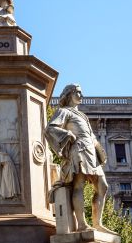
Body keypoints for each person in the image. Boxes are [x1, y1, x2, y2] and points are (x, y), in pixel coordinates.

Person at [45, 84, 116, 234]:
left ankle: (98, 224)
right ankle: (82, 224)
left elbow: (91, 135)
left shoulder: (82, 115)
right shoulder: (63, 111)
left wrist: (99, 151)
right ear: (69, 94)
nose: (81, 95)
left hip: (90, 152)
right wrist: (67, 135)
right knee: (79, 185)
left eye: (81, 93)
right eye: (78, 92)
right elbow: (50, 128)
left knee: (103, 186)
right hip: (78, 150)